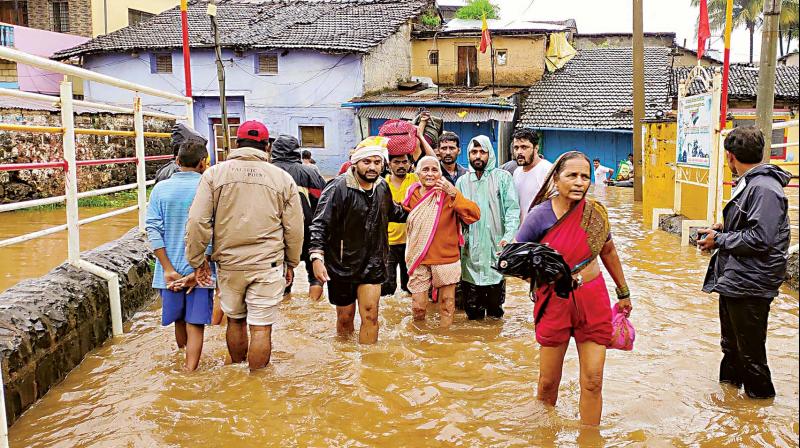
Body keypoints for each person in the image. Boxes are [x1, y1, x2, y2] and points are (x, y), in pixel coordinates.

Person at [515, 150, 632, 426]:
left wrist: (623, 291)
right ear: (556, 178)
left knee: (593, 381)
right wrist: (548, 273)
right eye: (572, 175)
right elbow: (517, 261)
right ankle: (545, 438)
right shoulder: (538, 216)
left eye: (585, 176)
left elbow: (609, 250)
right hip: (554, 300)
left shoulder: (595, 214)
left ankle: (590, 439)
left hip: (593, 298)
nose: (580, 182)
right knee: (547, 385)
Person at [185, 120, 304, 370]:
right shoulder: (282, 179)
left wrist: (197, 262)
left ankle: (237, 375)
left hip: (229, 264)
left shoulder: (214, 174)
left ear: (237, 144)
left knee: (235, 321)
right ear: (266, 146)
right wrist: (292, 262)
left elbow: (197, 221)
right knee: (261, 326)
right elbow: (294, 227)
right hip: (267, 264)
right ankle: (256, 387)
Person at [697, 126, 790, 400]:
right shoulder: (753, 182)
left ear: (729, 157)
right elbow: (752, 227)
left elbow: (761, 239)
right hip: (737, 279)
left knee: (750, 356)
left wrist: (720, 241)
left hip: (752, 282)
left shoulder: (764, 188)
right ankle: (735, 412)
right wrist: (723, 230)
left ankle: (759, 413)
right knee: (732, 347)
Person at [309, 137, 407, 344]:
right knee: (345, 319)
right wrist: (317, 257)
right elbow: (320, 223)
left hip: (373, 263)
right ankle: (345, 364)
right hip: (342, 265)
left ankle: (368, 369)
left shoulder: (382, 187)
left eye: (377, 162)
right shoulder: (337, 188)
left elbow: (394, 212)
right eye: (367, 162)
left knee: (371, 315)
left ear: (383, 165)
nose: (372, 167)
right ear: (356, 163)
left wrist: (421, 210)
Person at [146, 141, 213, 371]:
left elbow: (153, 229)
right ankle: (190, 370)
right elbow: (214, 231)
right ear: (204, 163)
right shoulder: (208, 188)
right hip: (201, 270)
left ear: (177, 161)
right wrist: (201, 267)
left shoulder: (160, 189)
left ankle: (182, 360)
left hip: (169, 271)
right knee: (196, 322)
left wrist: (167, 268)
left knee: (179, 319)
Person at [403, 156, 480, 328]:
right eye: (425, 169)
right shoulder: (412, 193)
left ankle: (445, 341)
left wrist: (454, 193)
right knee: (418, 308)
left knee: (447, 305)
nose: (430, 174)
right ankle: (420, 341)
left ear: (440, 173)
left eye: (434, 170)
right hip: (419, 259)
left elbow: (474, 215)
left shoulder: (449, 194)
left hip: (446, 258)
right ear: (417, 173)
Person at [456, 135, 520, 320]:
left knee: (495, 313)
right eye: (474, 152)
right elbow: (456, 217)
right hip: (470, 253)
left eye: (482, 152)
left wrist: (508, 237)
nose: (478, 156)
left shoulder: (503, 178)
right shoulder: (462, 182)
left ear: (489, 154)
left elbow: (512, 211)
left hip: (496, 248)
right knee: (472, 313)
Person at [271, 135, 327, 301]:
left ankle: (286, 310)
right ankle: (314, 308)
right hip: (309, 232)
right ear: (297, 151)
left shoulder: (266, 172)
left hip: (277, 234)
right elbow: (323, 204)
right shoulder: (310, 172)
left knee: (282, 274)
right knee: (315, 272)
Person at [382, 152, 418, 296]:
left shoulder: (415, 180)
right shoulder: (382, 184)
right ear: (389, 164)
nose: (401, 165)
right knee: (387, 286)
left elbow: (431, 160)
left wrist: (420, 134)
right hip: (388, 243)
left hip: (411, 243)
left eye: (404, 162)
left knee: (410, 285)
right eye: (396, 162)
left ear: (410, 164)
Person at [512, 128, 552, 221]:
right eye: (516, 148)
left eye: (524, 147)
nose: (519, 152)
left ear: (536, 148)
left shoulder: (548, 170)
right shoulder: (516, 173)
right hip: (521, 233)